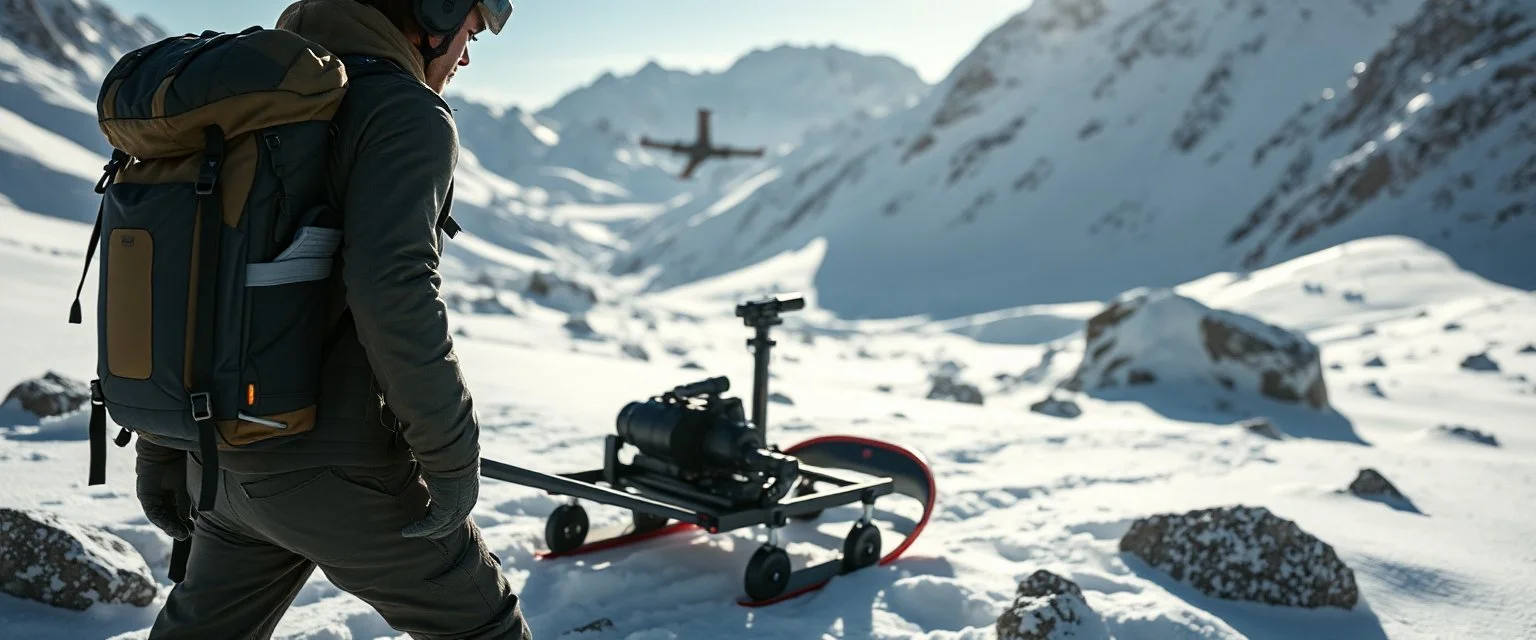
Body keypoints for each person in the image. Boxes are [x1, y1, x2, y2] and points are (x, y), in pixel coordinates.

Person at [131, 1, 532, 638]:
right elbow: (394, 293)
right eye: (471, 30)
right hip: (339, 476)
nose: (468, 53)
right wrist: (452, 462)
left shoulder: (249, 100)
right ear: (435, 10)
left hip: (222, 464)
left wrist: (165, 446)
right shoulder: (403, 113)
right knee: (482, 628)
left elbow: (188, 281)